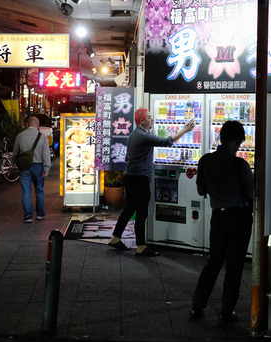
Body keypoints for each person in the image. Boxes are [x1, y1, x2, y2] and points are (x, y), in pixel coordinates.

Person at [190, 120, 253, 323]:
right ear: (237, 141)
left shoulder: (205, 160)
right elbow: (252, 194)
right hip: (239, 218)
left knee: (213, 262)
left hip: (218, 217)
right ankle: (226, 311)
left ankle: (197, 305)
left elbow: (200, 190)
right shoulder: (239, 164)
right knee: (234, 265)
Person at [108, 108, 195, 257]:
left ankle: (116, 238)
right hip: (139, 178)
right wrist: (184, 130)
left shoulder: (135, 135)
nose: (152, 119)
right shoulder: (142, 136)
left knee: (129, 209)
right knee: (141, 212)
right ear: (142, 121)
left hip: (131, 176)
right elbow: (166, 142)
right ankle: (141, 246)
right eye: (149, 117)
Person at [13, 115, 52, 223]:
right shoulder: (42, 136)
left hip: (25, 167)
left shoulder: (20, 136)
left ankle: (28, 215)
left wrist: (19, 163)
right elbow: (46, 153)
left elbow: (15, 152)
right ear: (37, 125)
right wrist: (46, 167)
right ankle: (40, 213)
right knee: (39, 189)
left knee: (26, 191)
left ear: (27, 124)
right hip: (38, 166)